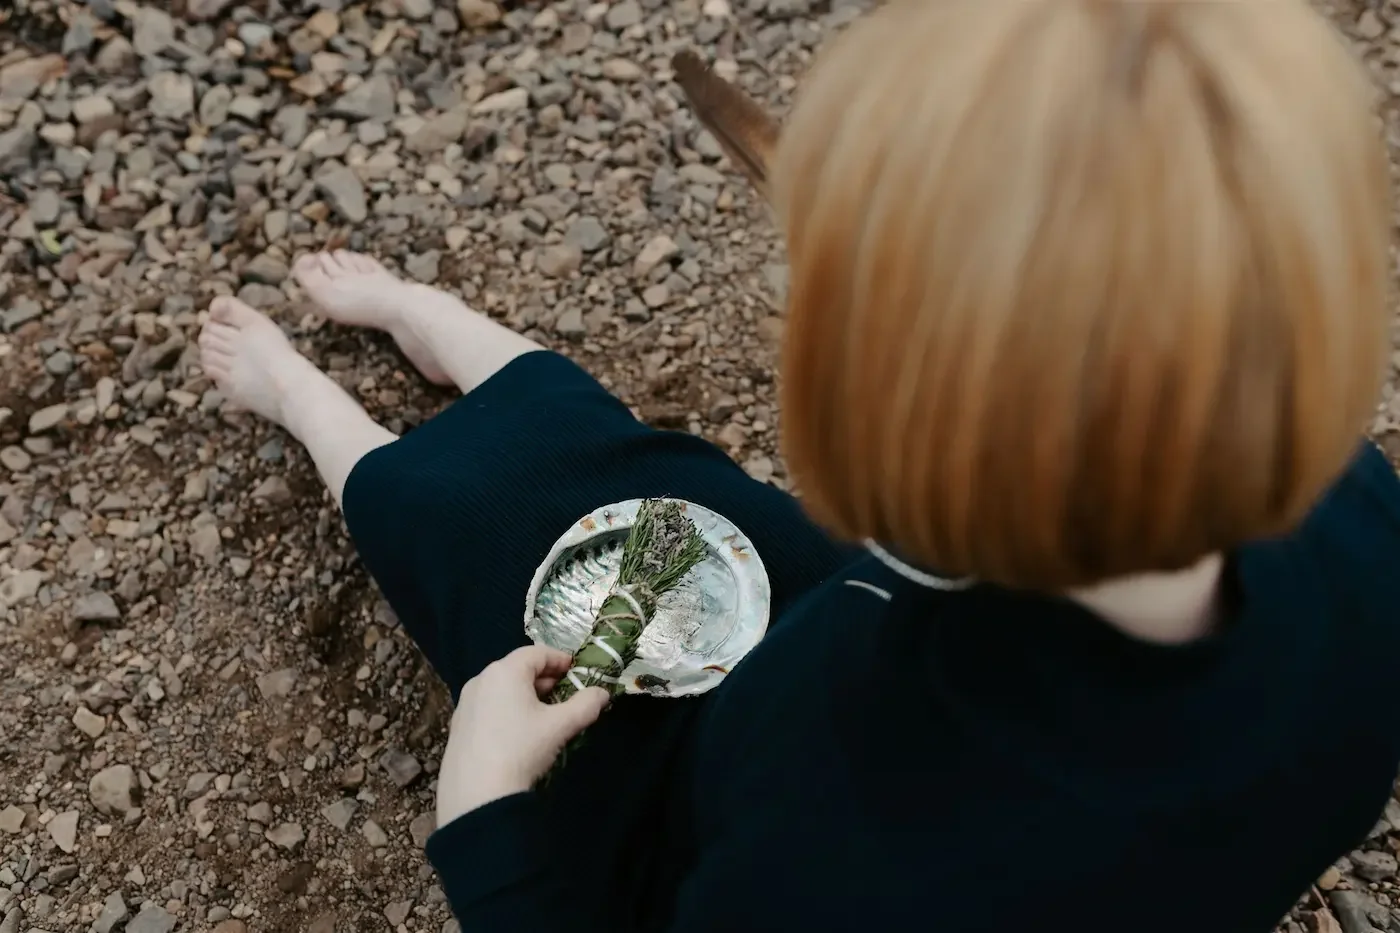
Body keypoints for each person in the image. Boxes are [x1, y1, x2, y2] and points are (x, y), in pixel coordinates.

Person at [198, 1, 1400, 930]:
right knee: (643, 478)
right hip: (891, 647)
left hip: (724, 792)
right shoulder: (1358, 521)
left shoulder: (842, 858)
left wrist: (486, 810)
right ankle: (431, 324)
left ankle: (308, 403)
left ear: (899, 445)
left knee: (479, 530)